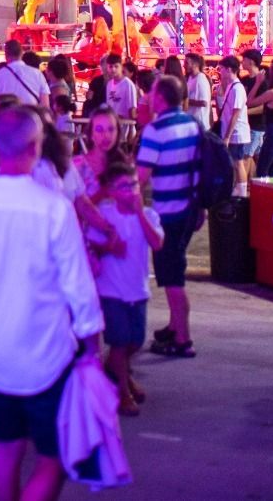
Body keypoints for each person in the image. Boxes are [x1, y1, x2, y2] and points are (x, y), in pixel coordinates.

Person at [0, 107, 102, 501]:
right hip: (48, 355)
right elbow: (79, 288)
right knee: (55, 457)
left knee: (6, 448)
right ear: (36, 147)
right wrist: (92, 349)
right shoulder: (53, 209)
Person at [86, 161, 164, 416]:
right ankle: (122, 391)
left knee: (135, 342)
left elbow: (157, 242)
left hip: (138, 289)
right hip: (111, 290)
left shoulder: (149, 215)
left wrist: (140, 213)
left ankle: (118, 371)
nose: (130, 190)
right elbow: (91, 244)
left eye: (133, 184)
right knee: (120, 343)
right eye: (123, 186)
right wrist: (109, 248)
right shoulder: (105, 216)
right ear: (111, 190)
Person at [136, 75, 204, 359]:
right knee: (174, 271)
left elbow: (141, 176)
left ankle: (183, 339)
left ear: (161, 97)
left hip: (169, 213)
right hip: (190, 209)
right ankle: (175, 327)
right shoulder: (193, 125)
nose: (148, 94)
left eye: (152, 91)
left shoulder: (156, 130)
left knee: (173, 279)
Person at [216, 56, 253, 192]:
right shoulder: (232, 87)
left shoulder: (237, 88)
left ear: (229, 69)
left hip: (236, 132)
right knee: (236, 162)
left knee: (238, 163)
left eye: (222, 69)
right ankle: (238, 189)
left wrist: (227, 136)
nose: (220, 72)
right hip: (233, 131)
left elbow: (235, 114)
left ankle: (242, 192)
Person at [0, 39, 46, 107]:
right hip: (30, 115)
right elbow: (45, 104)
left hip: (6, 115)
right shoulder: (37, 74)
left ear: (5, 55)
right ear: (22, 53)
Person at [183, 52, 212, 125]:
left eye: (186, 63)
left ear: (195, 64)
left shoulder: (201, 79)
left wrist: (185, 101)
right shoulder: (190, 78)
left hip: (200, 124)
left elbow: (204, 102)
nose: (184, 65)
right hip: (192, 122)